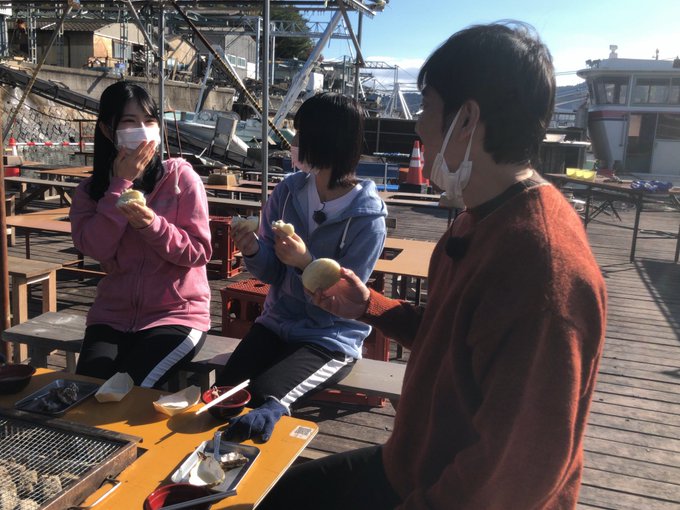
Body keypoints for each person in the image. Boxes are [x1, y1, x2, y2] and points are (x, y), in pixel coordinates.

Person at [259, 22, 607, 510]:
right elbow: (450, 337)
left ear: (467, 119)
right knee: (268, 497)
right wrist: (370, 306)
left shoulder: (542, 269)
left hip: (446, 492)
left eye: (426, 107)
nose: (418, 126)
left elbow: (519, 472)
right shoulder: (476, 219)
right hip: (411, 466)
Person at [215, 92, 387, 442]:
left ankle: (260, 470)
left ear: (323, 138)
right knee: (225, 393)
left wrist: (305, 262)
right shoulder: (287, 193)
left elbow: (346, 302)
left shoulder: (368, 220)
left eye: (300, 133)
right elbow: (271, 274)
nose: (294, 142)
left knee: (265, 398)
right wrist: (253, 250)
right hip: (276, 322)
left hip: (330, 336)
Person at [70, 82, 212, 389]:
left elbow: (198, 252)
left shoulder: (181, 178)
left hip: (176, 315)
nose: (143, 130)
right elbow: (95, 248)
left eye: (149, 121)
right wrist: (119, 186)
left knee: (124, 391)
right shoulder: (90, 191)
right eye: (129, 122)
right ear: (108, 130)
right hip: (112, 315)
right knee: (86, 391)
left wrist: (151, 225)